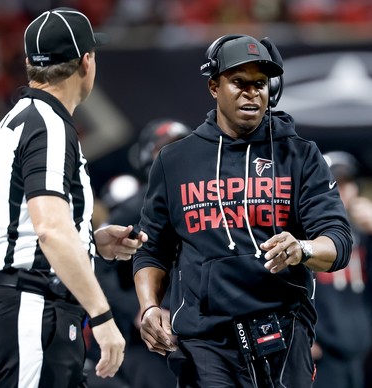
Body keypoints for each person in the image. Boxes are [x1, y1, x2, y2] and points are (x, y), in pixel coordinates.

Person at [132, 34, 353, 388]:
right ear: (214, 87)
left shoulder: (300, 155)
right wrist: (148, 306)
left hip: (283, 329)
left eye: (260, 83)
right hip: (205, 339)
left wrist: (303, 248)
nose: (252, 92)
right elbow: (152, 249)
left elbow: (338, 241)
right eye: (239, 82)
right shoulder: (175, 161)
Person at [0, 7, 147, 388]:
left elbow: (28, 226)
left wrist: (88, 241)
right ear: (86, 62)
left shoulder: (18, 120)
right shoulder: (48, 127)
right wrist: (101, 317)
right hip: (33, 310)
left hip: (20, 310)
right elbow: (50, 230)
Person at [96, 119, 192, 388]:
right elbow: (97, 269)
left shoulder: (209, 203)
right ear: (145, 158)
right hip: (151, 343)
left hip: (204, 330)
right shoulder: (129, 212)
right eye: (165, 148)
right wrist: (137, 308)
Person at [312, 151, 372, 388]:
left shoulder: (361, 232)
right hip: (322, 351)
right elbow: (289, 286)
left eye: (348, 183)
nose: (343, 190)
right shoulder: (308, 227)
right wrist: (303, 335)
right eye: (336, 183)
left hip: (357, 349)